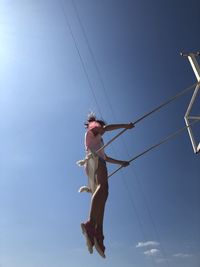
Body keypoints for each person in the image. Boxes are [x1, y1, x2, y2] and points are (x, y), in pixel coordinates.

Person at [81, 113, 134, 258]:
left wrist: (121, 162)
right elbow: (105, 128)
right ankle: (91, 224)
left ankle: (99, 231)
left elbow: (106, 157)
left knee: (104, 193)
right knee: (103, 189)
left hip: (97, 161)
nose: (102, 130)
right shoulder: (93, 130)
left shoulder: (98, 140)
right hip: (95, 160)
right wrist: (125, 126)